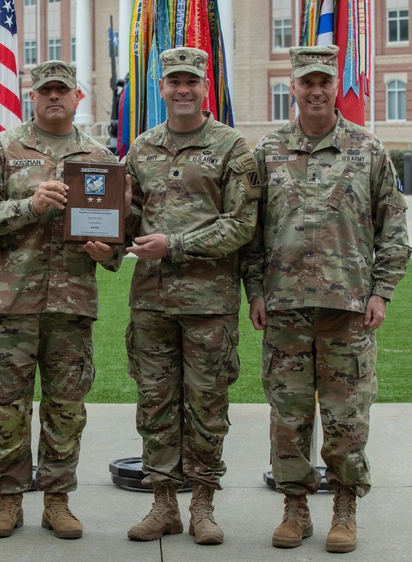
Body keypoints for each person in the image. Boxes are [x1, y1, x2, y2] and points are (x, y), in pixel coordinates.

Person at [240, 45, 412, 553]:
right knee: (288, 414)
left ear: (335, 86)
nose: (315, 91)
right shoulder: (267, 152)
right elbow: (251, 234)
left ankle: (344, 508)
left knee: (347, 416)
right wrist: (254, 291)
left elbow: (394, 228)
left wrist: (382, 292)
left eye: (324, 82)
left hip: (349, 311)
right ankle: (294, 509)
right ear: (292, 87)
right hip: (285, 309)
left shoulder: (368, 150)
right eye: (306, 82)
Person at [0, 60, 128, 540]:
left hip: (70, 307)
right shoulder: (1, 150)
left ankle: (57, 500)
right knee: (8, 407)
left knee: (66, 408)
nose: (54, 97)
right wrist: (27, 207)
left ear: (77, 97)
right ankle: (9, 500)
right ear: (32, 97)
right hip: (12, 304)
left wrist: (108, 250)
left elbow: (120, 237)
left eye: (63, 90)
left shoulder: (100, 158)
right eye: (45, 90)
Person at [121, 47, 260, 546]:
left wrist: (175, 244)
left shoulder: (231, 147)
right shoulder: (141, 148)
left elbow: (242, 224)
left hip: (209, 305)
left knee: (206, 405)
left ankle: (202, 504)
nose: (182, 89)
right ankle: (163, 504)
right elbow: (126, 214)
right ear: (161, 88)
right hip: (152, 303)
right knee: (155, 403)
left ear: (205, 87)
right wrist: (104, 243)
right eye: (173, 81)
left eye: (191, 81)